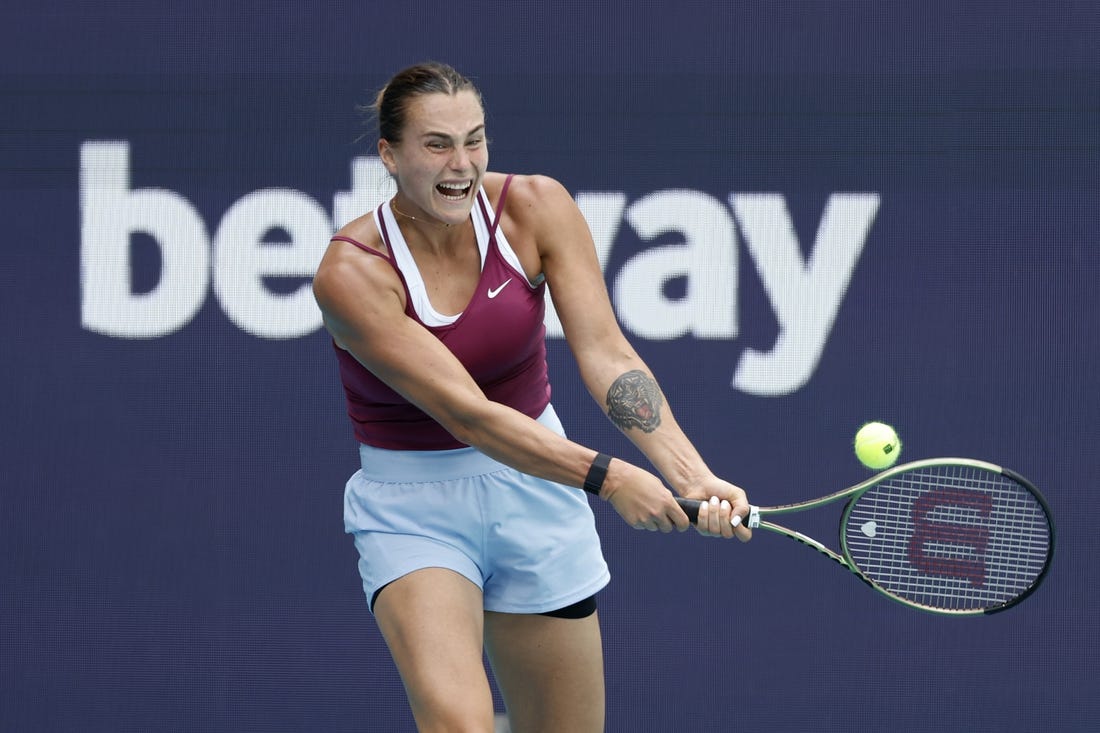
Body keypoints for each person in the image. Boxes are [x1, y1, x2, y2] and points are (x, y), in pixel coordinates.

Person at [312, 61, 752, 733]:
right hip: (415, 511)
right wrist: (609, 477)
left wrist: (693, 476)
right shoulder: (351, 272)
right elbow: (470, 413)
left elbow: (606, 352)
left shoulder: (536, 207)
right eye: (436, 144)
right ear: (389, 155)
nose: (461, 164)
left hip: (536, 492)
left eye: (474, 139)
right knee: (461, 725)